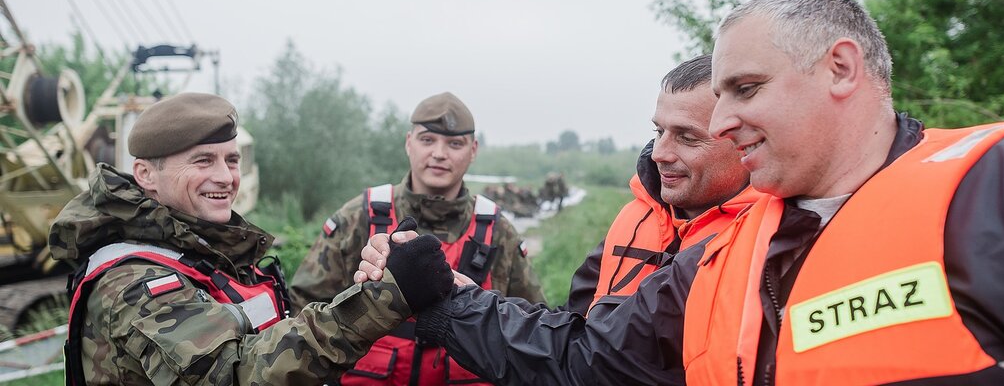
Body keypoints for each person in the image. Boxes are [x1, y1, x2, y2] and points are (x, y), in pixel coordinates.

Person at [685, 0, 1004, 384]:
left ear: (841, 68)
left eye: (745, 88)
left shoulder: (1001, 185)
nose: (718, 124)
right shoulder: (716, 253)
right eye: (719, 97)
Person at [357, 55, 760, 384]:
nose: (659, 153)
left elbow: (591, 363)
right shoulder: (637, 215)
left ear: (742, 138)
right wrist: (460, 292)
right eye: (658, 131)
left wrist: (447, 304)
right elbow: (568, 326)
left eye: (687, 137)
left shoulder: (753, 244)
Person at [53, 93, 454, 385]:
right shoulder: (134, 281)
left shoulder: (208, 252)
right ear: (145, 174)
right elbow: (236, 372)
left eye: (231, 160)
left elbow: (279, 328)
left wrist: (376, 275)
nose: (226, 178)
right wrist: (378, 301)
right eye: (202, 161)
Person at [289, 91, 546, 385]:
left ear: (473, 150)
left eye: (455, 144)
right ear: (408, 142)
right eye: (427, 140)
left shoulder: (499, 231)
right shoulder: (359, 216)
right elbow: (304, 309)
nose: (439, 153)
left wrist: (480, 306)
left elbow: (530, 329)